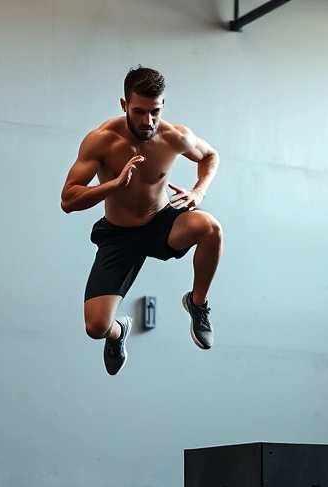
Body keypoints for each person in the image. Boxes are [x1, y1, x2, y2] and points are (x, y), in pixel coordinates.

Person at [61, 65, 223, 376]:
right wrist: (113, 185)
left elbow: (210, 156)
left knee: (210, 227)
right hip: (119, 235)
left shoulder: (175, 136)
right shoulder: (102, 141)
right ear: (124, 105)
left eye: (155, 112)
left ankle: (197, 303)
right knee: (95, 327)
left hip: (161, 221)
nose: (148, 121)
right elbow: (68, 200)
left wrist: (198, 192)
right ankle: (119, 333)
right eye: (139, 112)